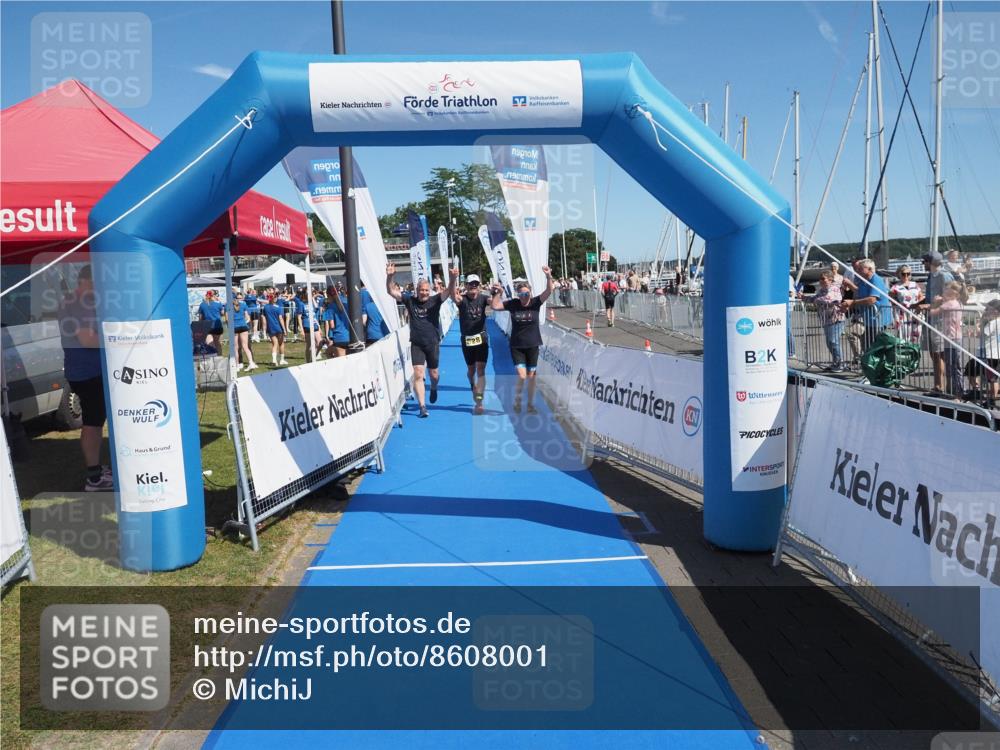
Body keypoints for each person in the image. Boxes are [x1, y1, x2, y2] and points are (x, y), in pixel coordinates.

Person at [58, 266, 113, 492]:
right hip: (88, 373)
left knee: (94, 422)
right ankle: (94, 477)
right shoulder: (79, 303)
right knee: (92, 423)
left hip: (83, 371)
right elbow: (88, 340)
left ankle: (97, 470)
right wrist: (116, 336)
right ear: (88, 281)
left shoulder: (75, 302)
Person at [386, 263, 458, 418]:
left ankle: (433, 387)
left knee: (434, 374)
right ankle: (422, 406)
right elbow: (391, 291)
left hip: (432, 343)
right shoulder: (410, 300)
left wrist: (452, 279)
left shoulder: (435, 300)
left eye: (426, 290)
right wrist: (390, 277)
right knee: (418, 374)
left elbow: (448, 292)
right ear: (416, 291)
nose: (424, 293)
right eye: (421, 290)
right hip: (417, 344)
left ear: (429, 291)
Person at [491, 266, 556, 414]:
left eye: (526, 294)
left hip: (533, 345)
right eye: (521, 294)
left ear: (530, 292)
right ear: (518, 294)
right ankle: (518, 400)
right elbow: (494, 306)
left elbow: (549, 291)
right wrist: (498, 293)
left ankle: (530, 405)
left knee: (532, 377)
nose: (524, 297)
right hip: (517, 346)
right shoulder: (513, 304)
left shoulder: (535, 303)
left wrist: (548, 276)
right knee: (522, 375)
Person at [919, 251, 955, 395]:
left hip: (941, 320)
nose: (923, 264)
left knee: (941, 354)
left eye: (925, 261)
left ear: (931, 262)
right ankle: (938, 385)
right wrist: (917, 304)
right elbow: (929, 298)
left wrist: (929, 306)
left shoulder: (944, 276)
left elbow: (952, 297)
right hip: (931, 319)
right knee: (934, 354)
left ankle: (944, 387)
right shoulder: (930, 276)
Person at [454, 274, 490, 415]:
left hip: (482, 339)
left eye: (476, 284)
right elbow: (454, 297)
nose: (473, 286)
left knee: (481, 370)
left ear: (479, 286)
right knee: (471, 371)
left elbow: (493, 303)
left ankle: (479, 402)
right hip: (467, 340)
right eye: (471, 284)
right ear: (466, 286)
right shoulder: (462, 299)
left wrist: (497, 293)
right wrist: (452, 280)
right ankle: (471, 384)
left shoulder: (484, 298)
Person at [843, 258, 892, 354]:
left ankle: (873, 365)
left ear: (869, 269)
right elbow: (859, 292)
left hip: (878, 319)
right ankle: (866, 362)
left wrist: (853, 303)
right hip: (869, 319)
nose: (858, 270)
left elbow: (872, 299)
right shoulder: (864, 280)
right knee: (866, 344)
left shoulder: (875, 280)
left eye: (861, 268)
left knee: (874, 346)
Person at [806, 270, 846, 372]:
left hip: (836, 318)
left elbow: (829, 299)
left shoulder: (834, 288)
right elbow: (814, 298)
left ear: (830, 279)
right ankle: (836, 362)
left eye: (823, 278)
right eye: (820, 278)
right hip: (826, 320)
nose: (821, 280)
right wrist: (804, 297)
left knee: (833, 341)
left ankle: (840, 364)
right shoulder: (821, 290)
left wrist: (816, 300)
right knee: (829, 343)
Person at [964, 299, 1000, 405]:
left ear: (996, 312)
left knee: (992, 379)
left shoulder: (993, 323)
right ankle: (976, 391)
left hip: (990, 355)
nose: (985, 311)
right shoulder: (994, 322)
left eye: (988, 309)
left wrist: (981, 322)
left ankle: (991, 400)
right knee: (970, 369)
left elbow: (982, 334)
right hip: (987, 354)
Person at [888, 265, 923, 343]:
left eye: (908, 273)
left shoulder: (915, 285)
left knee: (916, 335)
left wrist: (919, 306)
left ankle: (915, 353)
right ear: (899, 274)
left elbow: (921, 297)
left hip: (915, 313)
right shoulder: (895, 287)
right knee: (903, 336)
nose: (906, 276)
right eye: (903, 274)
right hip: (902, 314)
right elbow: (891, 299)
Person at [231, 292, 257, 371]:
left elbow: (227, 319)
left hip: (234, 327)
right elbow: (247, 317)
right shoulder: (244, 305)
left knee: (235, 348)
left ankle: (236, 366)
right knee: (245, 346)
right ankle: (251, 363)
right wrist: (244, 322)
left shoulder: (229, 306)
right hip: (243, 326)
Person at [324, 284, 351, 358]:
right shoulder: (346, 303)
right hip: (350, 336)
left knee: (340, 363)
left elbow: (332, 325)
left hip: (339, 337)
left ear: (329, 295)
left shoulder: (331, 307)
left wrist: (328, 335)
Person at [262, 293, 287, 366]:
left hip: (270, 328)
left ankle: (274, 360)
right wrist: (284, 329)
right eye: (275, 297)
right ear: (273, 298)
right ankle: (281, 360)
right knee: (281, 343)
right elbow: (281, 319)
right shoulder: (278, 307)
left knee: (274, 344)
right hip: (278, 327)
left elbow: (264, 318)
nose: (276, 298)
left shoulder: (265, 307)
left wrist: (265, 329)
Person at [360, 282, 389, 346]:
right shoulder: (386, 306)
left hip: (372, 335)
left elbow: (363, 321)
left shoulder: (367, 306)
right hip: (385, 333)